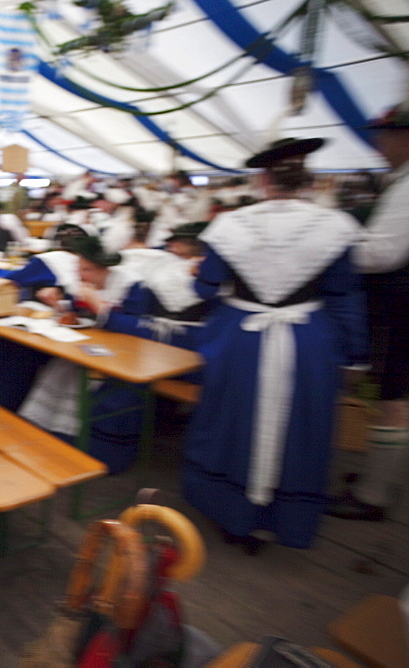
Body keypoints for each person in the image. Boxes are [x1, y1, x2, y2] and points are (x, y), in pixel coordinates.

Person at [181, 137, 367, 553]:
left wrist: (201, 275)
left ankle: (234, 515)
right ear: (307, 179)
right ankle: (281, 518)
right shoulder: (335, 226)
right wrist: (355, 357)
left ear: (263, 179)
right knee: (298, 429)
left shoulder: (231, 224)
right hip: (307, 342)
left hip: (241, 340)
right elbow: (344, 294)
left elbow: (207, 286)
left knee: (234, 424)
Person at [329, 102, 409, 522]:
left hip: (402, 307)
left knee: (394, 399)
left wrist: (332, 247)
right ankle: (375, 481)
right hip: (397, 304)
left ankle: (373, 496)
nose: (380, 141)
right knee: (391, 396)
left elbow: (382, 252)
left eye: (388, 133)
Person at [18, 235, 152, 474]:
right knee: (58, 370)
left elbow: (139, 330)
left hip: (125, 357)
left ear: (105, 269)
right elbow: (78, 316)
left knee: (75, 378)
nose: (81, 274)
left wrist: (99, 305)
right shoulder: (83, 284)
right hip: (85, 349)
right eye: (79, 268)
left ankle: (83, 451)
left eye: (87, 269)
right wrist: (58, 304)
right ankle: (53, 443)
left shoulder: (132, 286)